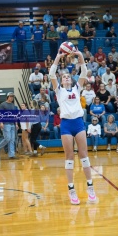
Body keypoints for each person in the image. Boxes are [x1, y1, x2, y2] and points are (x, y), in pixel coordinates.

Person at [49, 48, 97, 205]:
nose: (66, 78)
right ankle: (71, 190)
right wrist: (57, 57)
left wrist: (80, 56)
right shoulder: (58, 91)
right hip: (66, 125)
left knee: (84, 155)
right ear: (62, 80)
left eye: (68, 76)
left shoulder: (77, 88)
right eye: (64, 77)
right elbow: (51, 74)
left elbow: (84, 72)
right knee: (69, 157)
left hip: (78, 122)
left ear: (71, 79)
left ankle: (90, 188)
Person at [0, 92, 19, 159]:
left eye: (12, 97)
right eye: (10, 96)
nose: (12, 98)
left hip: (12, 124)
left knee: (12, 140)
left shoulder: (13, 105)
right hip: (6, 123)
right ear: (7, 97)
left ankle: (11, 155)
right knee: (7, 138)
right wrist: (1, 122)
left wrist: (16, 124)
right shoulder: (3, 104)